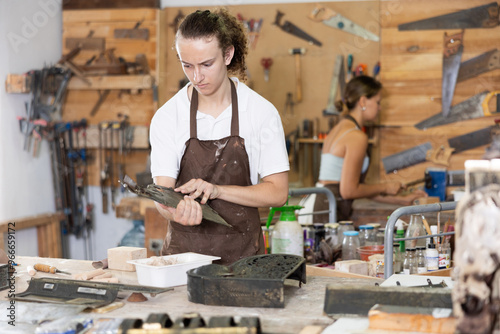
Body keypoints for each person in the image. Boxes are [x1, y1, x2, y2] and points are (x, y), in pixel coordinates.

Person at [149, 9, 289, 265]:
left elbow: (278, 193)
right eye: (187, 65)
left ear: (227, 54)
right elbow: (163, 195)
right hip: (183, 265)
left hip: (245, 263)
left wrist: (218, 190)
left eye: (206, 64)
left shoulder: (260, 112)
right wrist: (176, 211)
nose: (196, 77)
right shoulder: (168, 116)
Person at [313, 75, 426, 223]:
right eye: (378, 102)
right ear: (363, 101)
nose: (379, 108)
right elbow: (348, 191)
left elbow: (356, 188)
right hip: (331, 211)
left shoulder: (339, 128)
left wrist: (400, 200)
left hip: (324, 205)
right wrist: (385, 187)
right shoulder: (357, 136)